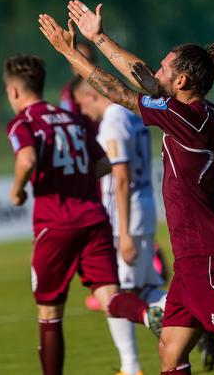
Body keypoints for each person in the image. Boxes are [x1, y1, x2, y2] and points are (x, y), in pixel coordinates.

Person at [38, 1, 214, 374]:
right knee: (170, 351)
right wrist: (98, 37)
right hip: (193, 255)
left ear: (181, 82)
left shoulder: (183, 119)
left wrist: (70, 52)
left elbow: (120, 92)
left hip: (203, 254)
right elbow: (143, 75)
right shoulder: (205, 112)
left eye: (166, 66)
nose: (155, 69)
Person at [3, 54, 163, 375]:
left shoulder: (24, 122)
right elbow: (104, 163)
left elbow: (27, 159)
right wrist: (78, 178)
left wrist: (18, 190)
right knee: (109, 295)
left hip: (55, 224)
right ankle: (147, 315)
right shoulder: (70, 119)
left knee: (50, 314)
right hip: (94, 220)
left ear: (15, 93)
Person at [72, 77, 170, 375]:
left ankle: (131, 366)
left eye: (81, 103)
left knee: (117, 295)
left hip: (127, 216)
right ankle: (196, 320)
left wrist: (124, 233)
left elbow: (121, 177)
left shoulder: (114, 121)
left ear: (91, 95)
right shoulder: (130, 115)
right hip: (144, 208)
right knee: (147, 288)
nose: (82, 110)